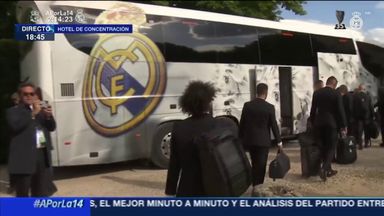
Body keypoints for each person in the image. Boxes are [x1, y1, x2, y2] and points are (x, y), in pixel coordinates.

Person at [165, 81, 217, 197]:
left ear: (186, 104)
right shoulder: (218, 124)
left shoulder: (179, 127)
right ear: (208, 102)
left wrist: (170, 190)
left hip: (188, 188)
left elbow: (175, 164)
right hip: (215, 188)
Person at [6, 83, 57, 197]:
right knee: (23, 194)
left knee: (41, 193)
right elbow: (15, 126)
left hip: (41, 156)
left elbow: (52, 127)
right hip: (24, 158)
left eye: (32, 94)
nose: (29, 96)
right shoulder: (13, 111)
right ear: (20, 96)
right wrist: (33, 113)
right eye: (25, 94)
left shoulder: (41, 110)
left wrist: (48, 116)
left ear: (35, 95)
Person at [239, 83, 282, 189]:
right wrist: (279, 142)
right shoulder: (269, 107)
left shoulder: (247, 105)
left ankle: (255, 186)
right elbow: (274, 126)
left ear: (256, 92)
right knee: (261, 166)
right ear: (266, 93)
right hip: (263, 142)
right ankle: (258, 187)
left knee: (254, 164)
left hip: (251, 141)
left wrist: (239, 140)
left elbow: (242, 124)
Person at [310, 76, 347, 181]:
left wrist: (313, 123)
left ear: (327, 82)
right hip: (332, 124)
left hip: (319, 123)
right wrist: (343, 125)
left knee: (323, 147)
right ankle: (324, 168)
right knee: (331, 147)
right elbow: (340, 110)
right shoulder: (336, 93)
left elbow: (313, 110)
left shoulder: (317, 93)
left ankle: (329, 170)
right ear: (335, 84)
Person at [353, 84, 371, 150]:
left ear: (359, 89)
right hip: (366, 116)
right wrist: (372, 115)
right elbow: (370, 107)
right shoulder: (368, 96)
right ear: (364, 89)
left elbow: (353, 107)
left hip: (358, 117)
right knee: (366, 130)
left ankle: (360, 144)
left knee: (359, 131)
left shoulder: (355, 96)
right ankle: (366, 143)